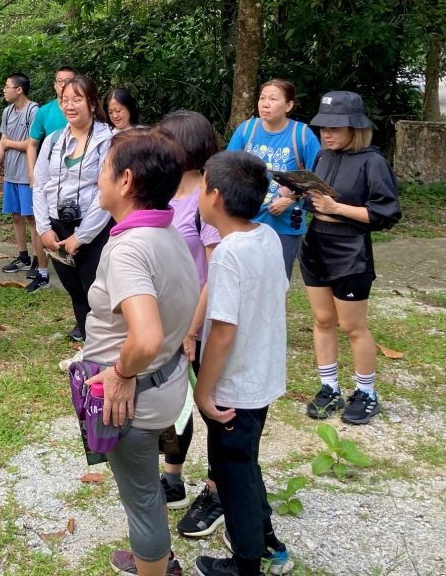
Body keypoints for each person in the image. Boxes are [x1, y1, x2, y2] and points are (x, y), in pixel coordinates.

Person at [84, 128, 198, 576]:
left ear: (127, 181)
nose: (98, 179)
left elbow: (146, 338)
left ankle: (153, 563)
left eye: (103, 169)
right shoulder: (166, 231)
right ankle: (155, 556)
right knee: (147, 488)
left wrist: (120, 374)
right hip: (165, 383)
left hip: (133, 401)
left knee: (143, 500)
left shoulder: (130, 249)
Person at [194, 151, 293, 576]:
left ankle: (246, 564)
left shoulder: (228, 253)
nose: (199, 195)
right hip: (262, 377)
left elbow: (222, 331)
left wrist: (204, 391)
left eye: (201, 187)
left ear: (215, 196)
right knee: (245, 464)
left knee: (233, 476)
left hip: (234, 388)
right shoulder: (267, 235)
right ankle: (269, 542)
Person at [299, 92, 401, 424]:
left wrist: (337, 208)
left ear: (354, 128)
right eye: (323, 127)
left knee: (352, 326)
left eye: (335, 127)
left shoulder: (373, 161)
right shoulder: (322, 156)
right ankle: (329, 387)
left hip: (350, 248)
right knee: (322, 320)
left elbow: (386, 214)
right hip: (316, 241)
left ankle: (366, 392)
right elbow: (315, 201)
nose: (327, 134)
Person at [155, 111, 225, 536]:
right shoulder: (161, 193)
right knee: (171, 404)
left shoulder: (207, 199)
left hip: (199, 328)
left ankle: (217, 492)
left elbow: (215, 275)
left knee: (212, 406)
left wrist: (192, 330)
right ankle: (173, 477)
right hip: (166, 325)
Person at [34, 76, 114, 341]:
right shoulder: (53, 141)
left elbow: (107, 192)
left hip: (95, 228)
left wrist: (82, 236)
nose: (69, 105)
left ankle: (106, 349)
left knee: (97, 293)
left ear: (91, 103)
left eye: (77, 99)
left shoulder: (108, 140)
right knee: (75, 291)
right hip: (57, 229)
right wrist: (44, 229)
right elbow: (40, 185)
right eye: (64, 100)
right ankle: (89, 348)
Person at [226, 79, 320, 281]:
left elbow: (318, 178)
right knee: (242, 281)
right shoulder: (246, 129)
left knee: (277, 284)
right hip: (245, 220)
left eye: (273, 99)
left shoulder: (302, 135)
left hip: (283, 224)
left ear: (289, 105)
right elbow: (227, 170)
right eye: (262, 98)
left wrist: (290, 198)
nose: (265, 104)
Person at [0, 73, 47, 287]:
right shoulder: (7, 111)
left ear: (19, 90)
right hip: (11, 173)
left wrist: (10, 144)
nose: (4, 90)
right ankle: (23, 256)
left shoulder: (34, 111)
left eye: (7, 86)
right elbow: (3, 142)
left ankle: (38, 260)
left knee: (32, 218)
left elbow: (32, 143)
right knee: (17, 216)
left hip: (28, 174)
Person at [27, 65, 76, 185]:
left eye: (68, 81)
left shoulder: (83, 110)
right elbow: (32, 145)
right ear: (55, 85)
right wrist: (32, 174)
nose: (63, 85)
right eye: (60, 81)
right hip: (51, 172)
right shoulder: (44, 111)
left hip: (78, 170)